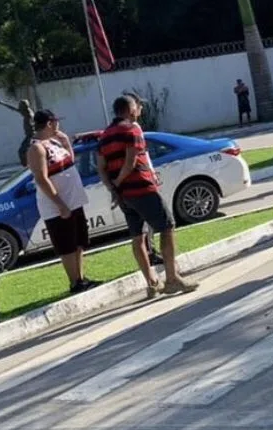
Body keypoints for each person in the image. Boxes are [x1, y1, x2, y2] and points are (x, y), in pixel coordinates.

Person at [99, 95, 196, 299]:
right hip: (142, 188)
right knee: (167, 226)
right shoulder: (132, 129)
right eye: (137, 107)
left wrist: (114, 189)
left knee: (138, 236)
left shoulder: (105, 136)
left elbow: (101, 168)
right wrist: (119, 182)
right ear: (130, 109)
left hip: (125, 196)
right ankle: (171, 278)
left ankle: (152, 283)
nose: (139, 110)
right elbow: (131, 161)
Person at [25, 110, 97, 294]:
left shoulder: (55, 141)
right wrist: (60, 203)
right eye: (56, 121)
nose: (58, 125)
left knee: (79, 241)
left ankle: (81, 277)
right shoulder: (37, 148)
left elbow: (69, 162)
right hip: (58, 206)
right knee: (67, 245)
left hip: (74, 200)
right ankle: (74, 282)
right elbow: (41, 179)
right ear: (49, 123)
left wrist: (66, 142)